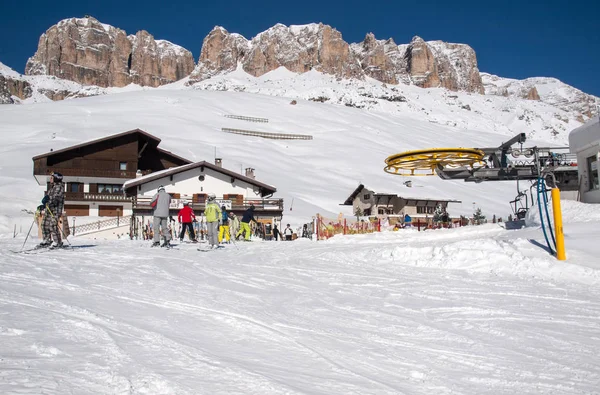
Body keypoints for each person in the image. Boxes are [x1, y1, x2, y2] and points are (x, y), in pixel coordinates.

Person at [38, 172, 65, 249]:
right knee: (44, 224)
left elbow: (56, 198)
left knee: (52, 225)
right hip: (49, 209)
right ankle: (47, 240)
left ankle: (58, 242)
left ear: (56, 179)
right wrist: (43, 205)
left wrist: (48, 200)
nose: (50, 179)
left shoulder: (59, 188)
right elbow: (49, 198)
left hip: (56, 210)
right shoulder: (52, 188)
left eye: (52, 177)